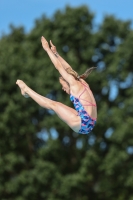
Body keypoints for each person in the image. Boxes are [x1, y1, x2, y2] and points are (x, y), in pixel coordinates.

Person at [16, 36, 97, 134]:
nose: (63, 88)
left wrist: (47, 49)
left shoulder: (73, 83)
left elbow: (59, 67)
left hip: (83, 122)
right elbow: (69, 68)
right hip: (91, 122)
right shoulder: (82, 82)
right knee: (59, 105)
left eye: (63, 85)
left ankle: (26, 89)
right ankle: (26, 90)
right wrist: (56, 53)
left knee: (53, 105)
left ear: (68, 81)